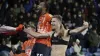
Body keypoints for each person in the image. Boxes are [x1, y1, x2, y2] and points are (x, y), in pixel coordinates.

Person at [24, 15, 89, 56]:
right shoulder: (51, 33)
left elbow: (76, 30)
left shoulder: (66, 32)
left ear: (59, 23)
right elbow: (37, 35)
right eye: (51, 21)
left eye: (53, 21)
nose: (51, 23)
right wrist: (26, 30)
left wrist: (84, 27)